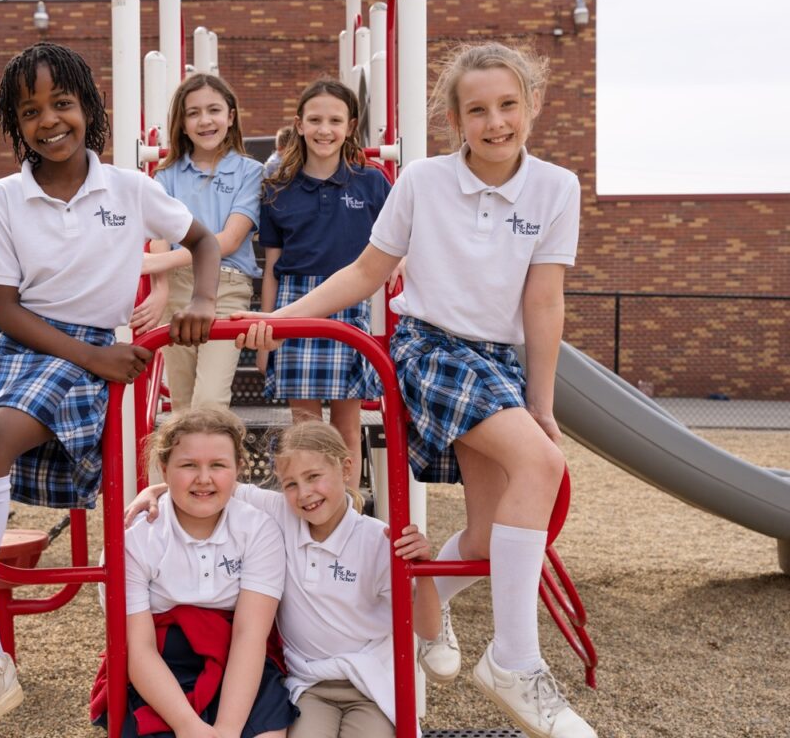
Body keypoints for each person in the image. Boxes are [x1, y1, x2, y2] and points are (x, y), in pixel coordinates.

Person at [235, 42, 596, 738]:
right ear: (455, 119)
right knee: (543, 468)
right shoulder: (424, 182)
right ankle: (516, 661)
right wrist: (275, 318)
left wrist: (542, 406)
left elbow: (544, 303)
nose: (495, 122)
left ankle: (419, 593)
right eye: (478, 110)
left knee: (490, 537)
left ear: (533, 106)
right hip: (429, 346)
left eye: (508, 105)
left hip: (497, 360)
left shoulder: (556, 188)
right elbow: (368, 272)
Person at [0, 42, 220, 738]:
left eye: (62, 103)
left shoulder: (126, 188)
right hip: (29, 341)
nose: (49, 120)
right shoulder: (3, 198)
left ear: (88, 108)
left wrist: (203, 302)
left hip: (85, 346)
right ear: (15, 123)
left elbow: (205, 241)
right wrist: (92, 357)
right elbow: (5, 312)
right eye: (30, 111)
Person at [125, 420, 441, 738]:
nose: (304, 493)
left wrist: (423, 571)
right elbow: (214, 485)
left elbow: (427, 628)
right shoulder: (281, 513)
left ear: (347, 468)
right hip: (310, 683)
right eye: (290, 484)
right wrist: (154, 490)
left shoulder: (377, 540)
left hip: (371, 683)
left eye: (314, 477)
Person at [117, 408, 298, 738]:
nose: (204, 478)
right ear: (164, 469)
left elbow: (250, 634)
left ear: (239, 469)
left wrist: (227, 730)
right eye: (188, 465)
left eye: (218, 465)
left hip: (238, 660)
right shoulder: (136, 539)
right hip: (162, 666)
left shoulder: (258, 529)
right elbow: (140, 647)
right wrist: (188, 727)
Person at [258, 79, 390, 489]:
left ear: (351, 126)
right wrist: (268, 330)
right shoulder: (278, 186)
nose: (324, 129)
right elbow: (272, 266)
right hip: (295, 302)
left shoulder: (372, 183)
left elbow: (398, 245)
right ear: (299, 124)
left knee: (347, 424)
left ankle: (346, 506)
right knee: (305, 426)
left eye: (335, 120)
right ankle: (311, 503)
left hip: (350, 302)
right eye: (314, 119)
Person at [133, 74, 263, 412]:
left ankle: (216, 464)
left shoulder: (250, 172)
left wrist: (158, 263)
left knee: (209, 401)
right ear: (183, 124)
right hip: (176, 290)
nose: (205, 120)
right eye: (193, 113)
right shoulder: (167, 175)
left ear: (231, 116)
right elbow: (160, 237)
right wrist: (160, 288)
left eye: (214, 110)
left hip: (227, 287)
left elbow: (230, 239)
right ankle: (182, 466)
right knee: (182, 403)